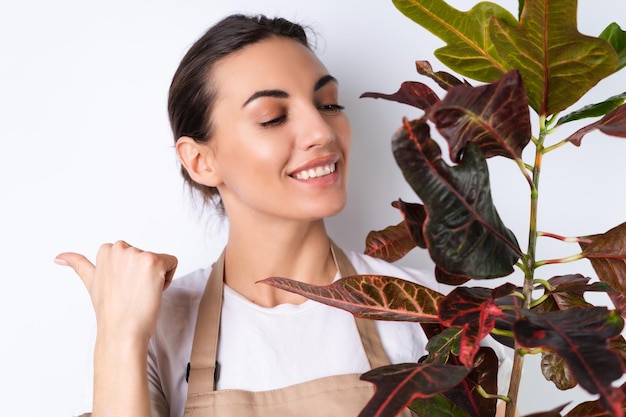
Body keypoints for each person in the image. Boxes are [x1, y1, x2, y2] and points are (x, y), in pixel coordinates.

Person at [55, 14, 512, 417]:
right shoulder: (158, 329)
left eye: (329, 104)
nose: (320, 131)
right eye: (273, 116)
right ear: (201, 162)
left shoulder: (435, 315)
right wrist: (118, 334)